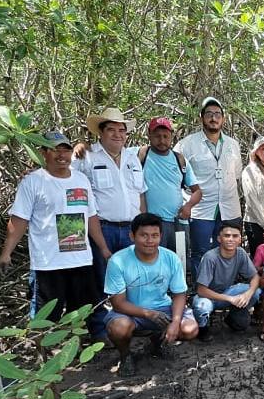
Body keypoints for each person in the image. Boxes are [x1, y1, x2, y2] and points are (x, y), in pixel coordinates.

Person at [0, 131, 110, 339]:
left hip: (80, 260)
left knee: (80, 312)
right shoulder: (32, 182)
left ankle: (73, 353)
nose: (61, 155)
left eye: (65, 150)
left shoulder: (81, 180)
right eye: (54, 150)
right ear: (43, 153)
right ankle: (44, 359)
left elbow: (91, 217)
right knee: (45, 316)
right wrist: (6, 253)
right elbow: (19, 220)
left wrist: (103, 248)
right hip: (48, 264)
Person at [104, 213, 199, 376]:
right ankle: (126, 356)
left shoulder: (171, 258)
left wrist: (176, 322)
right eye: (144, 235)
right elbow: (118, 303)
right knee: (119, 329)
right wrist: (147, 313)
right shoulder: (118, 261)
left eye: (155, 236)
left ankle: (157, 343)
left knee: (190, 329)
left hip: (163, 309)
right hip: (130, 312)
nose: (149, 240)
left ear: (161, 237)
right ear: (132, 236)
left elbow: (179, 294)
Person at [73, 107, 145, 289]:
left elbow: (140, 193)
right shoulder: (87, 157)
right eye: (111, 130)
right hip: (102, 229)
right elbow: (67, 182)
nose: (117, 135)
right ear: (101, 133)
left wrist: (142, 225)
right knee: (102, 278)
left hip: (131, 228)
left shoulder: (132, 158)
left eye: (122, 130)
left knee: (131, 277)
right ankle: (102, 315)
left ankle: (128, 315)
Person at [174, 97, 242, 278]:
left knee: (228, 250)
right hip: (201, 209)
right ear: (201, 118)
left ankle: (224, 287)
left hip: (229, 207)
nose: (214, 118)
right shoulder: (186, 144)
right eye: (209, 114)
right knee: (201, 251)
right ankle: (201, 290)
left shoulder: (233, 145)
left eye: (217, 114)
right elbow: (177, 177)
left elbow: (235, 175)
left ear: (223, 119)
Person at [139, 117, 202, 251]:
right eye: (157, 136)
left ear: (171, 136)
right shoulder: (139, 155)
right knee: (153, 262)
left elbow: (197, 191)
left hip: (178, 222)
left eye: (165, 136)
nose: (162, 140)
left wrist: (188, 206)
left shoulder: (180, 160)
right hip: (152, 223)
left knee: (180, 263)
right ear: (149, 135)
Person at [192, 222, 260, 341]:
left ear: (240, 239)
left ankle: (235, 314)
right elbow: (201, 290)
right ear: (219, 238)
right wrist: (230, 299)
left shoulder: (240, 253)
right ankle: (202, 328)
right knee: (202, 306)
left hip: (227, 292)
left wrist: (247, 294)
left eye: (235, 236)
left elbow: (255, 277)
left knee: (256, 292)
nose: (231, 239)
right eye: (227, 235)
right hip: (209, 297)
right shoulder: (210, 257)